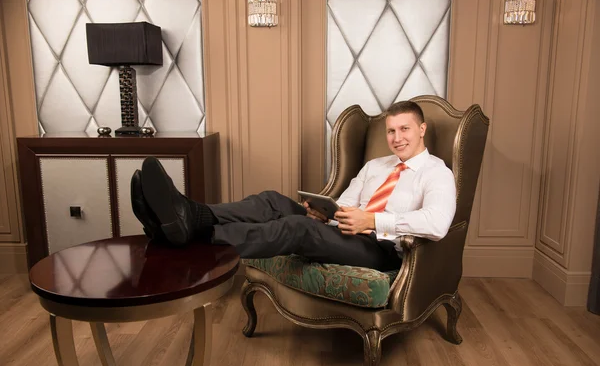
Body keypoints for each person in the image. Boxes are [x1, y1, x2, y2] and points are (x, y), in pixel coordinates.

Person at [130, 101, 456, 272]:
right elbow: (345, 203)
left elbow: (437, 223)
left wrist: (372, 221)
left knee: (297, 228)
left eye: (405, 129)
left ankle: (194, 237)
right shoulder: (375, 166)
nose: (397, 138)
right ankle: (192, 214)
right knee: (272, 201)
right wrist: (325, 214)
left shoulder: (436, 173)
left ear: (422, 129)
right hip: (345, 231)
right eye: (390, 131)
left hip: (381, 250)